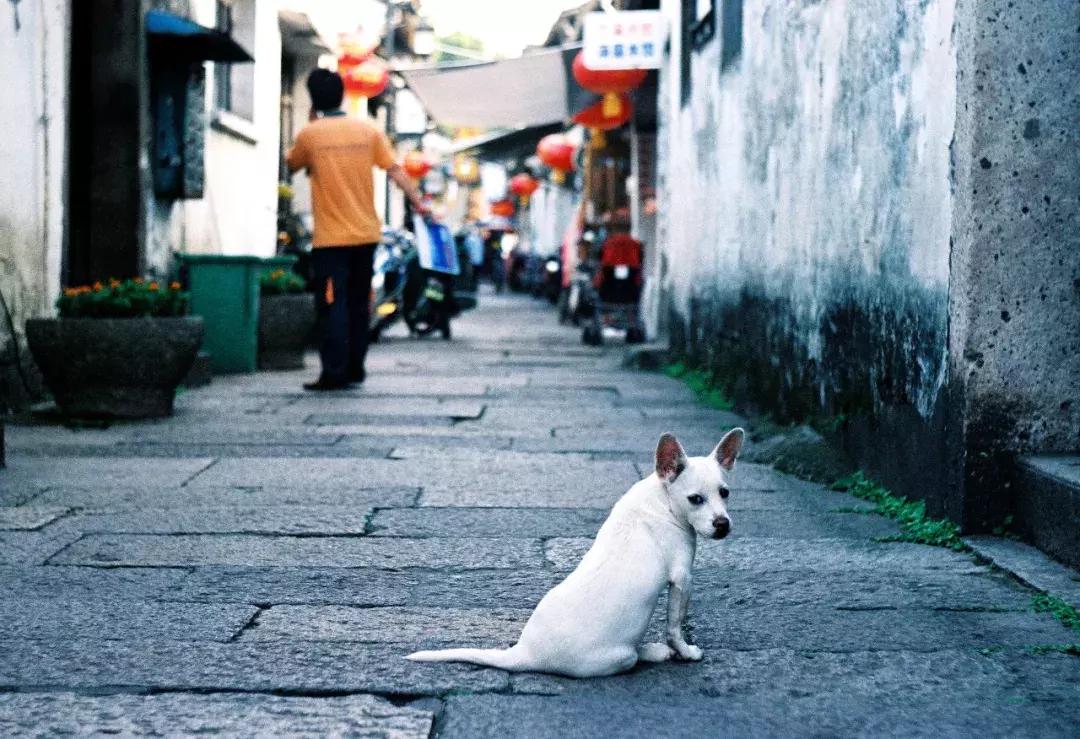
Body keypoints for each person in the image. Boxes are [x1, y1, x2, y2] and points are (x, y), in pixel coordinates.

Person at [286, 69, 426, 391]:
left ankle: (333, 372)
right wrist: (420, 204)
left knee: (333, 304)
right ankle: (355, 369)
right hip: (366, 236)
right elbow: (396, 171)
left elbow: (292, 165)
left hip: (331, 240)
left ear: (314, 98)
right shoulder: (368, 130)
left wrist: (310, 123)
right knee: (359, 303)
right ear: (342, 95)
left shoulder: (311, 134)